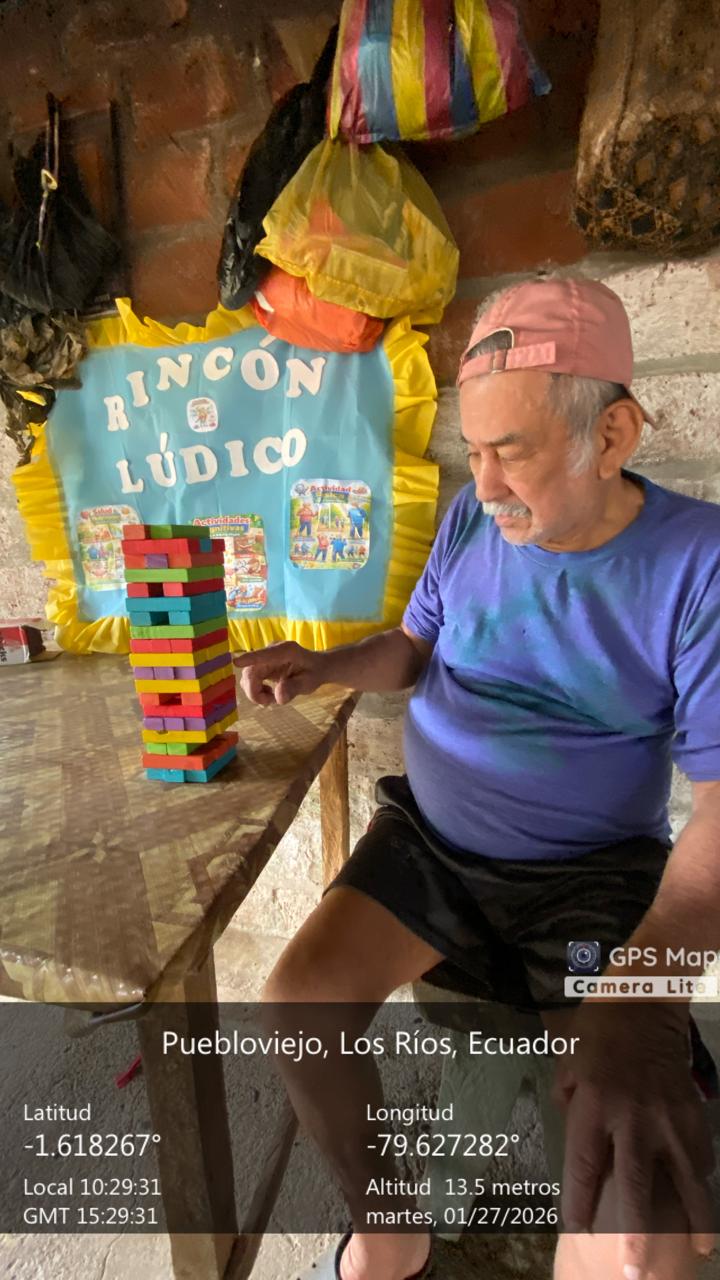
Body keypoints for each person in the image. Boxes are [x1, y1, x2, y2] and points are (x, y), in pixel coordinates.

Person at [235, 277, 720, 1280]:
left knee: (647, 1222)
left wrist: (648, 992)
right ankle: (392, 1235)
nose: (485, 482)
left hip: (591, 875)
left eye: (513, 451)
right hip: (434, 847)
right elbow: (413, 651)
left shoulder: (699, 563)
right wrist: (327, 665)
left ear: (613, 434)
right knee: (298, 1005)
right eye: (475, 450)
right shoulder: (468, 519)